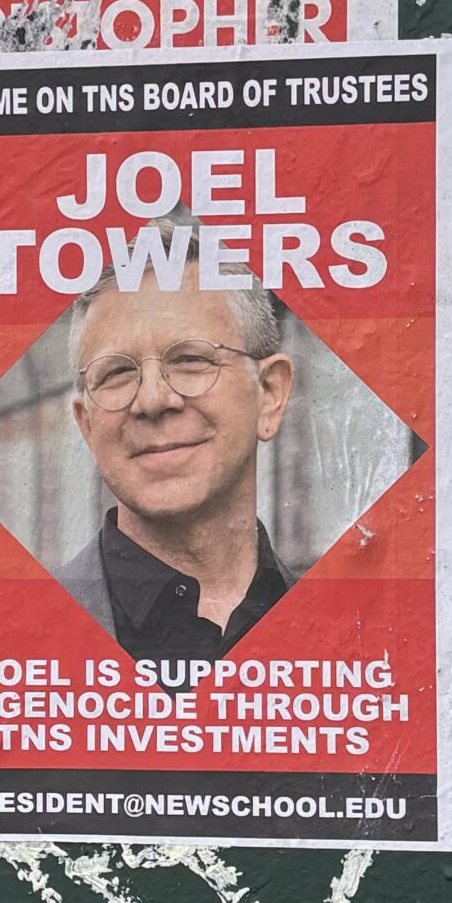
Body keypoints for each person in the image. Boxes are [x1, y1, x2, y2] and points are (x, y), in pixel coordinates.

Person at [54, 265, 297, 663]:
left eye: (190, 359)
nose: (152, 400)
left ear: (269, 394)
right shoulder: (5, 641)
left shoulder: (363, 636)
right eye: (116, 373)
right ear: (87, 426)